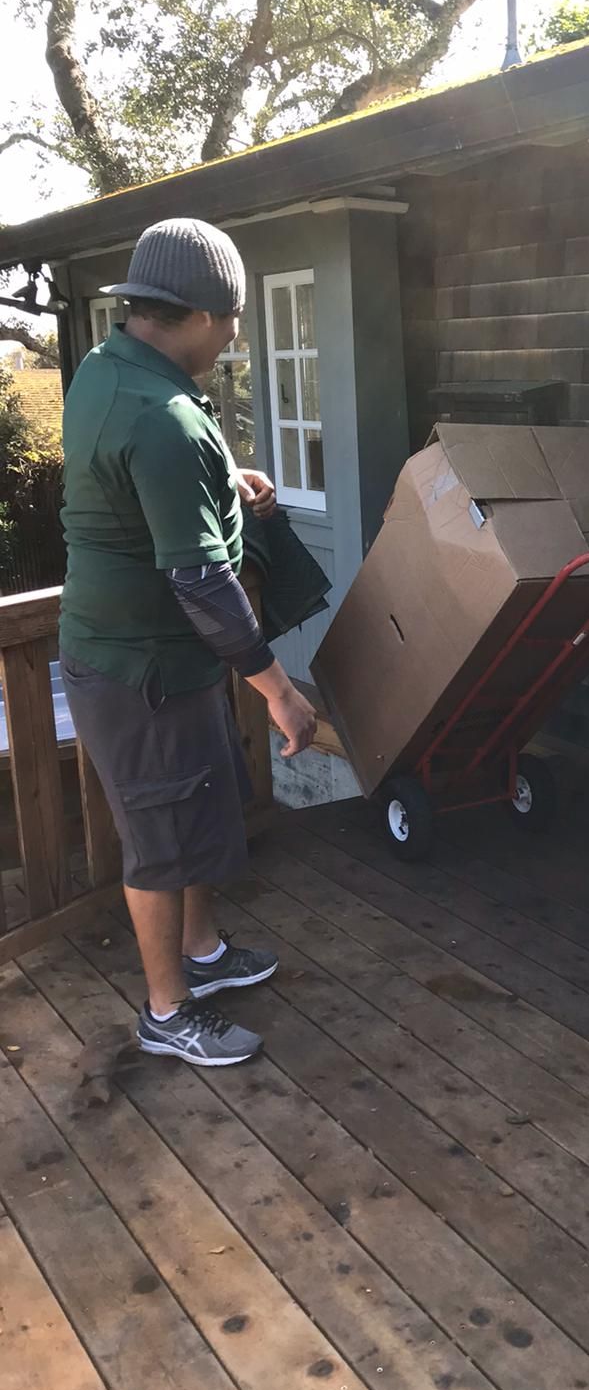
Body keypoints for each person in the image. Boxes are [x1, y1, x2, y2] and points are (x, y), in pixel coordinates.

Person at [60, 218, 317, 1066]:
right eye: (236, 318)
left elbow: (143, 480)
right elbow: (200, 580)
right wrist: (277, 688)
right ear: (204, 313)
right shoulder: (160, 413)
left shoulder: (109, 370)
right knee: (160, 840)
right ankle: (167, 1011)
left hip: (169, 660)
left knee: (194, 807)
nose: (238, 335)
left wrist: (222, 482)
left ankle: (203, 959)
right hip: (141, 669)